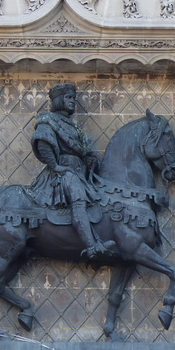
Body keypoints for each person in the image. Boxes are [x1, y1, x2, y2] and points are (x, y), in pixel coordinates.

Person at [29, 83, 114, 260]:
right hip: (63, 173)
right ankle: (91, 247)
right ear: (59, 100)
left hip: (79, 171)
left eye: (73, 99)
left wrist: (89, 160)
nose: (72, 102)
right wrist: (56, 166)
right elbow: (42, 141)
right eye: (68, 98)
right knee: (78, 199)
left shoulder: (73, 127)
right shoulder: (48, 120)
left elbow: (83, 150)